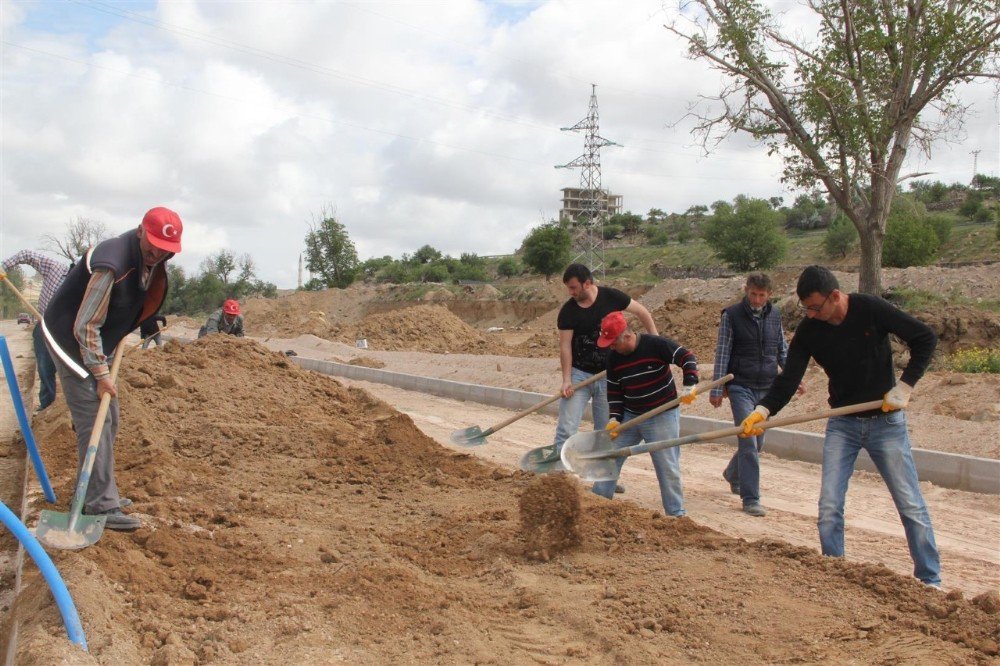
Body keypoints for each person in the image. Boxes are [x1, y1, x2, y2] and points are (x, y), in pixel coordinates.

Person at [739, 265, 940, 587]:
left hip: (886, 422)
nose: (812, 314)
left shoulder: (870, 309)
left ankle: (930, 579)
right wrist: (762, 411)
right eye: (807, 308)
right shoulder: (810, 329)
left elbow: (925, 338)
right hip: (842, 424)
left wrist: (905, 387)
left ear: (835, 296)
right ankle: (836, 576)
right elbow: (789, 379)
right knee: (829, 506)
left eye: (816, 307)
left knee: (910, 504)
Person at [43, 207, 182, 531]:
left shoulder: (150, 263)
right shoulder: (113, 264)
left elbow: (128, 304)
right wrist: (101, 374)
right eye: (153, 244)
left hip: (95, 342)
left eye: (166, 249)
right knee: (94, 416)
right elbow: (86, 325)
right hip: (69, 340)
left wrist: (121, 332)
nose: (158, 252)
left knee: (110, 415)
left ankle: (98, 489)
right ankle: (99, 504)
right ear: (139, 232)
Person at [552, 264, 658, 493]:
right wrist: (567, 380)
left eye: (573, 287)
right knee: (567, 426)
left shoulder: (612, 297)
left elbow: (642, 312)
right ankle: (558, 479)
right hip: (580, 375)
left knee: (607, 430)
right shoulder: (568, 312)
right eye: (568, 289)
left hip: (610, 377)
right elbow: (565, 347)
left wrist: (655, 340)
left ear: (587, 283)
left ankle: (604, 480)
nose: (570, 292)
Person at [710, 272, 802, 517]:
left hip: (768, 388)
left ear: (769, 294)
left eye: (762, 295)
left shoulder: (775, 315)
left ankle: (732, 473)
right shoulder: (731, 316)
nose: (757, 300)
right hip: (741, 385)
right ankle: (751, 498)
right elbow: (722, 352)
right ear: (746, 290)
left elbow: (781, 349)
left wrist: (794, 378)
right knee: (748, 439)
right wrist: (717, 388)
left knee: (757, 442)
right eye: (753, 294)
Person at [591, 311, 699, 516]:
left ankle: (676, 514)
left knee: (666, 465)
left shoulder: (655, 345)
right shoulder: (614, 358)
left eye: (613, 343)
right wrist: (615, 418)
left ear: (627, 336)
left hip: (662, 415)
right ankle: (597, 504)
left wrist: (690, 384)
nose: (611, 347)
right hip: (631, 415)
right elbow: (614, 391)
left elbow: (687, 357)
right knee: (610, 456)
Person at [0, 250, 70, 411]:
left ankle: (67, 409)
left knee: (69, 370)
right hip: (43, 324)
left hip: (66, 329)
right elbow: (26, 254)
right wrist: (4, 266)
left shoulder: (85, 284)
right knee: (45, 367)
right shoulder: (55, 269)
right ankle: (47, 406)